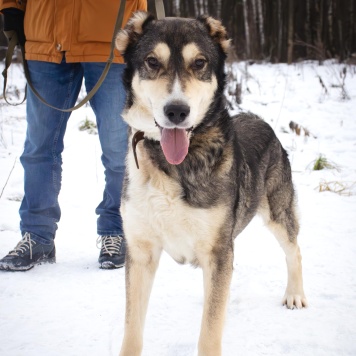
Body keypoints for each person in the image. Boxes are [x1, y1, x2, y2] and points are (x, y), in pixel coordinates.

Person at [0, 0, 147, 271]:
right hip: (45, 35)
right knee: (39, 149)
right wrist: (10, 6)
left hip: (110, 38)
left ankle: (116, 231)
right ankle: (37, 236)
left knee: (119, 151)